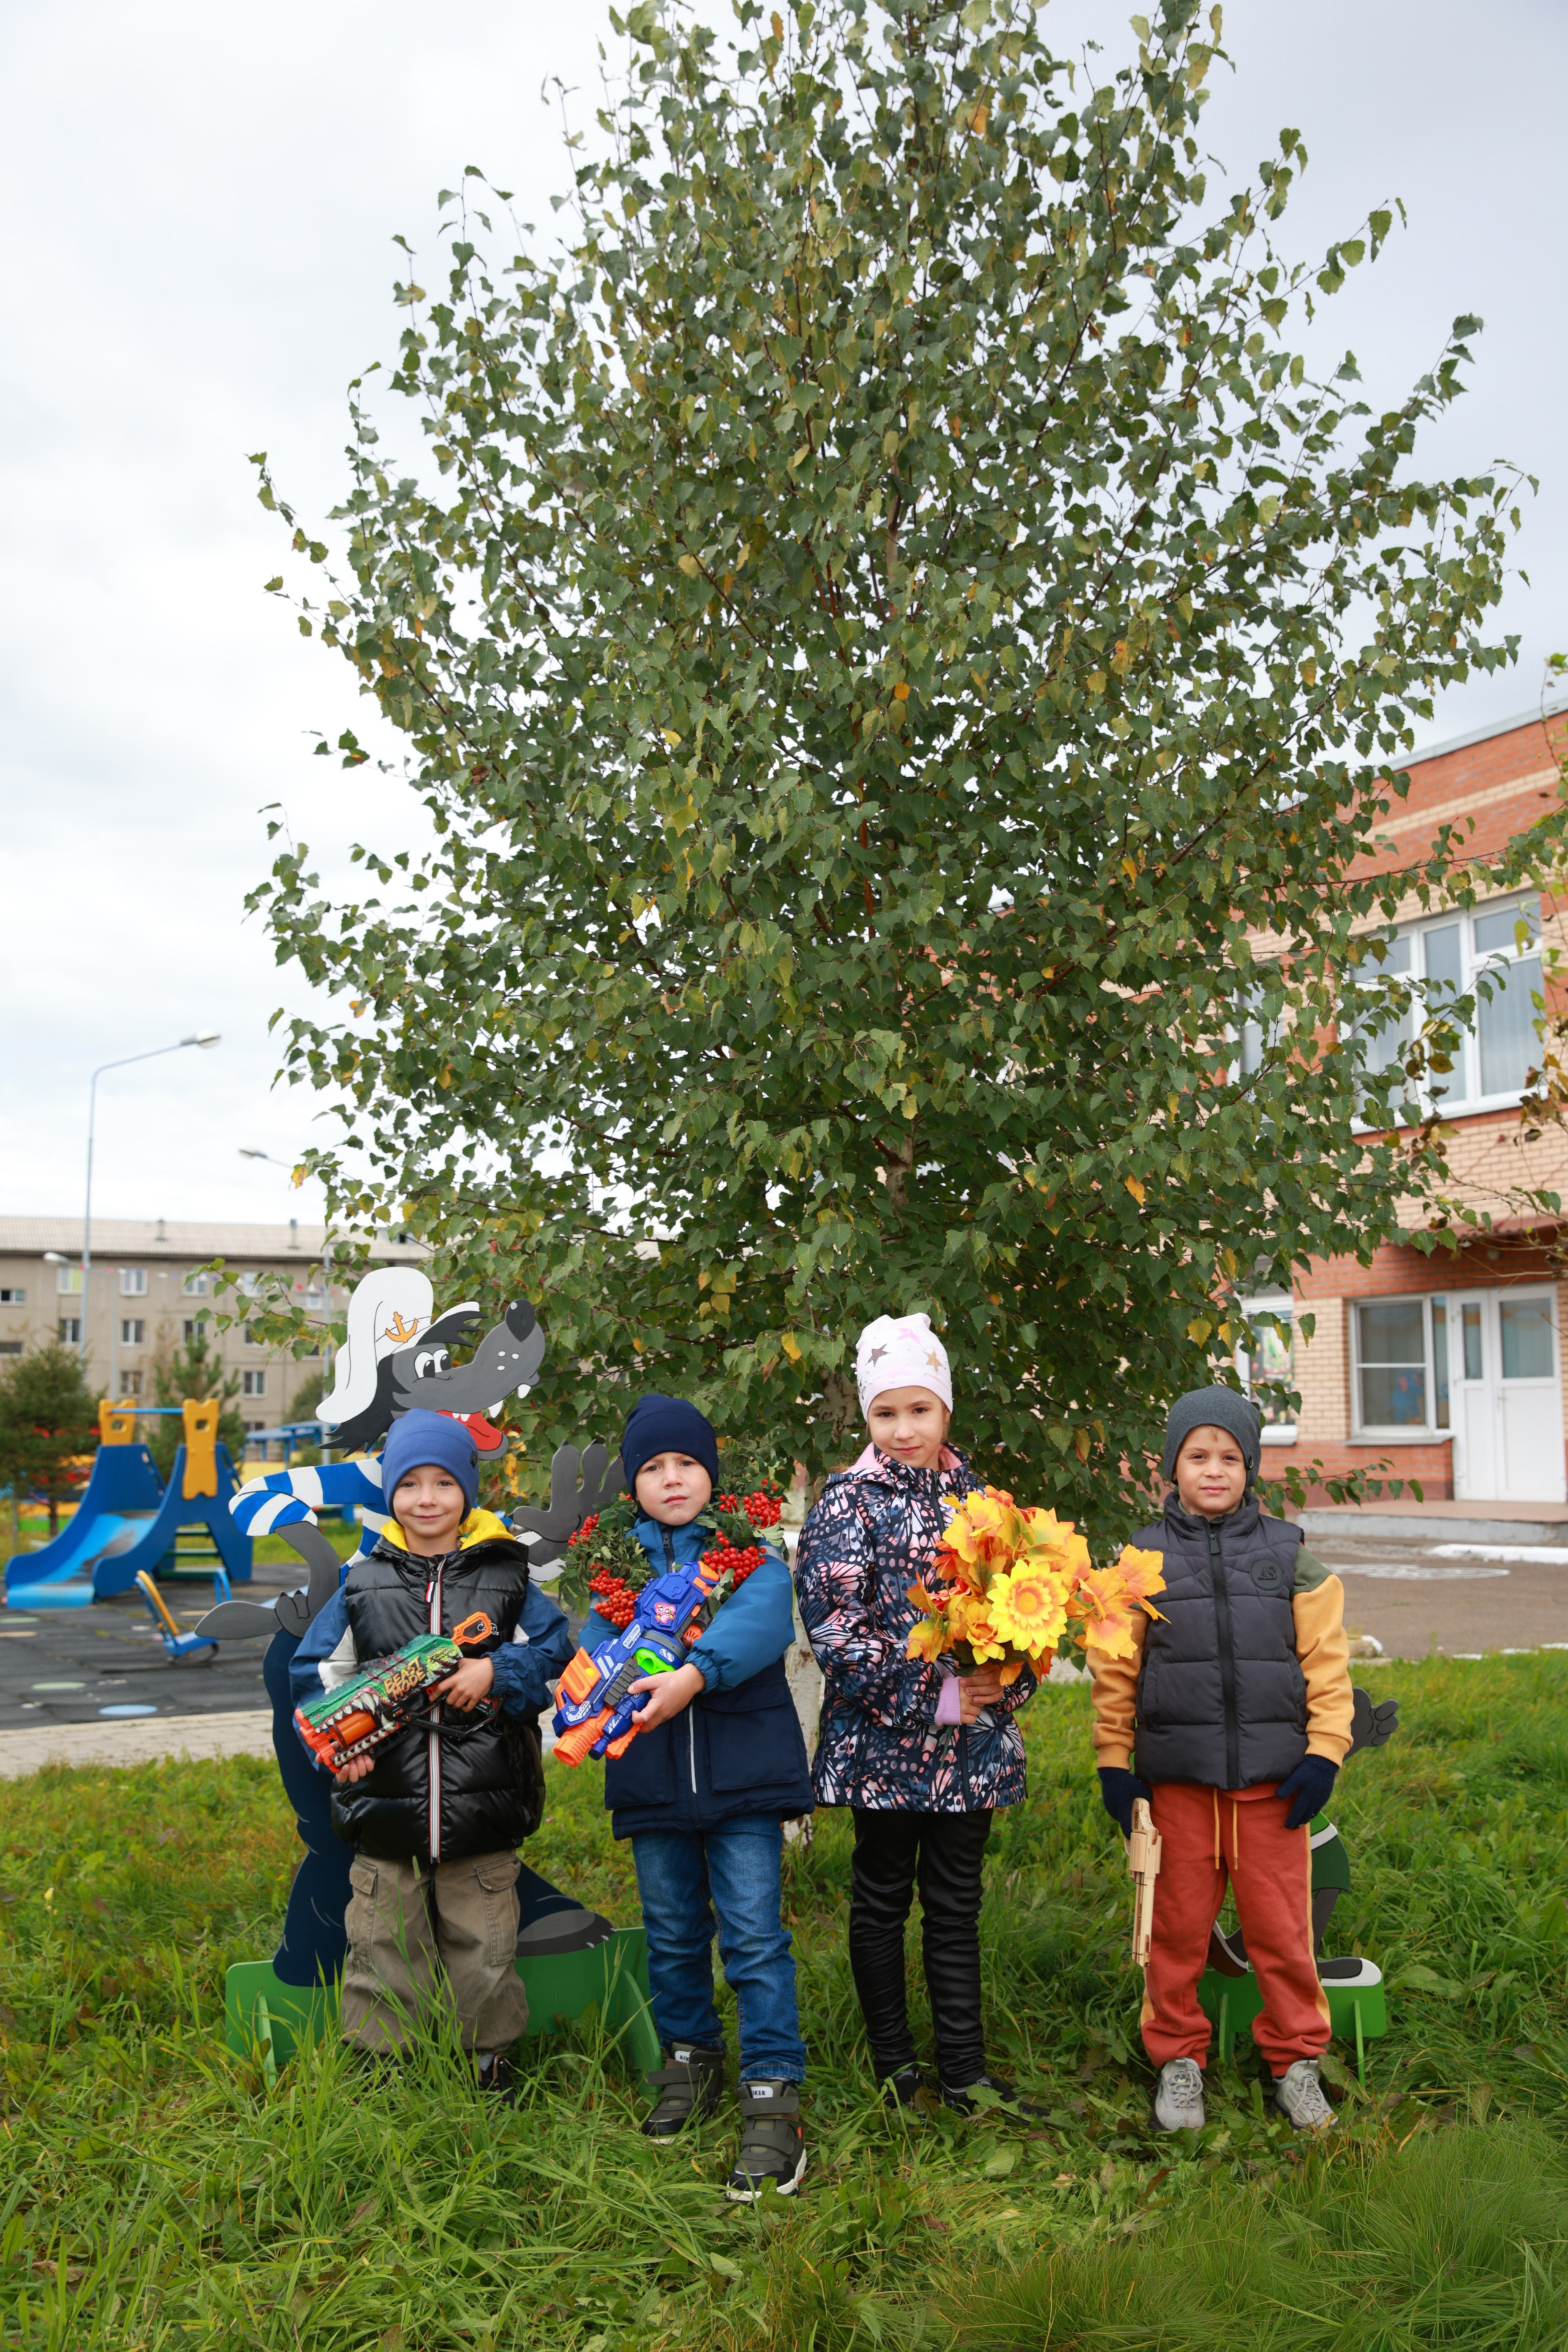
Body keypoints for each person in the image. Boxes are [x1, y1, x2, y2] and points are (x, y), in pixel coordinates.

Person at [1091, 1386, 1354, 2134]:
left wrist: (1324, 1755)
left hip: (1274, 1791)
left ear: (1252, 1468)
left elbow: (1326, 1666)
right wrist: (1116, 1761)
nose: (1213, 1470)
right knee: (1174, 1932)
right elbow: (1114, 1672)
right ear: (1172, 1467)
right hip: (1176, 1789)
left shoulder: (1290, 1555)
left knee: (1282, 1930)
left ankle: (1296, 2060)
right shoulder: (1137, 1561)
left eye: (1230, 1457)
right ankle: (1178, 2056)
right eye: (1197, 1456)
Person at [290, 1408, 573, 2098]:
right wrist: (341, 1748)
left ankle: (489, 2059)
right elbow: (317, 1672)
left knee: (485, 1941)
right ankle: (385, 2061)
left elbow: (556, 1654)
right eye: (409, 1483)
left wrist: (495, 1676)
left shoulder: (509, 1578)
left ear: (466, 1494)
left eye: (443, 1483)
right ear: (389, 1494)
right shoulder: (363, 1582)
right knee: (383, 1936)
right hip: (381, 1798)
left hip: (485, 1796)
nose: (426, 1499)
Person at [795, 1313, 1036, 2114]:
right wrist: (932, 1693)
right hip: (884, 1753)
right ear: (867, 1418)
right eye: (886, 1413)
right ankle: (896, 2065)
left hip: (973, 1752)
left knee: (956, 1903)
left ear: (946, 1411)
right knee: (882, 1898)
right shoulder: (847, 1504)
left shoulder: (986, 1504)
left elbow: (1028, 1612)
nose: (904, 1429)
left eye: (919, 1410)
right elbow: (837, 1627)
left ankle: (964, 2069)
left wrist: (1013, 1678)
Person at [579, 1393, 813, 2201]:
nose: (672, 1479)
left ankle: (773, 2091)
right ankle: (691, 2058)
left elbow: (762, 1623)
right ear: (632, 1485)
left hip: (742, 1778)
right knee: (674, 1932)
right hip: (650, 1783)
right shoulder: (612, 1570)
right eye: (653, 1467)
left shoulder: (746, 1554)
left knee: (752, 1936)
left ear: (709, 1475)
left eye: (686, 1464)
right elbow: (592, 1648)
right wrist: (588, 1692)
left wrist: (691, 1675)